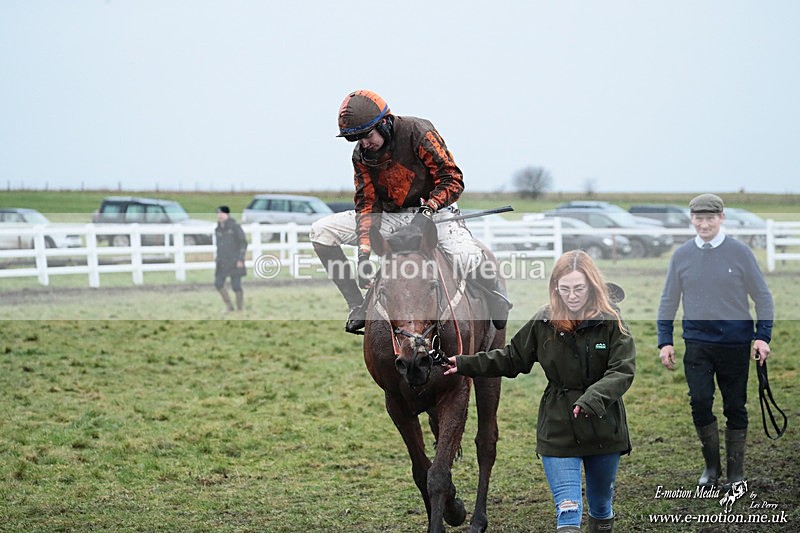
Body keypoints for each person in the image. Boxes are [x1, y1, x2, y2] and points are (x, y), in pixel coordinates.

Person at [445, 250, 635, 533]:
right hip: (558, 428)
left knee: (601, 508)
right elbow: (511, 358)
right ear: (555, 287)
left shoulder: (612, 323)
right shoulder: (544, 321)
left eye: (579, 288)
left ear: (592, 286)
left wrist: (593, 398)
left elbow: (622, 371)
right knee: (568, 514)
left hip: (604, 428)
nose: (572, 296)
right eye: (565, 288)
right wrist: (463, 363)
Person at [309, 89, 511, 333]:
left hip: (436, 211)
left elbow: (453, 179)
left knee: (467, 257)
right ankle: (356, 305)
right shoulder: (361, 155)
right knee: (320, 231)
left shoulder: (418, 131)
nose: (364, 143)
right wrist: (364, 254)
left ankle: (494, 294)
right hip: (389, 216)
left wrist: (427, 210)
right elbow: (366, 205)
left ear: (384, 123)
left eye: (367, 135)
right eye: (358, 139)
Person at [657, 193, 774, 488]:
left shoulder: (740, 253)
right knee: (699, 402)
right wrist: (665, 340)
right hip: (697, 343)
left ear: (722, 219)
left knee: (735, 406)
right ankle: (711, 469)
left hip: (735, 344)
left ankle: (736, 474)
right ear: (692, 219)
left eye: (710, 218)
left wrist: (762, 337)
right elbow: (669, 299)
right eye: (699, 218)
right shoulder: (682, 255)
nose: (704, 223)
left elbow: (762, 297)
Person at [214, 205, 247, 313]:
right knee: (218, 283)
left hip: (234, 261)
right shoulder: (218, 229)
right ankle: (229, 306)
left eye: (222, 213)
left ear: (227, 214)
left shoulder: (235, 227)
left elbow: (243, 243)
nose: (220, 215)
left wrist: (240, 259)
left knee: (236, 286)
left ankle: (240, 308)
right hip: (222, 261)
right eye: (218, 213)